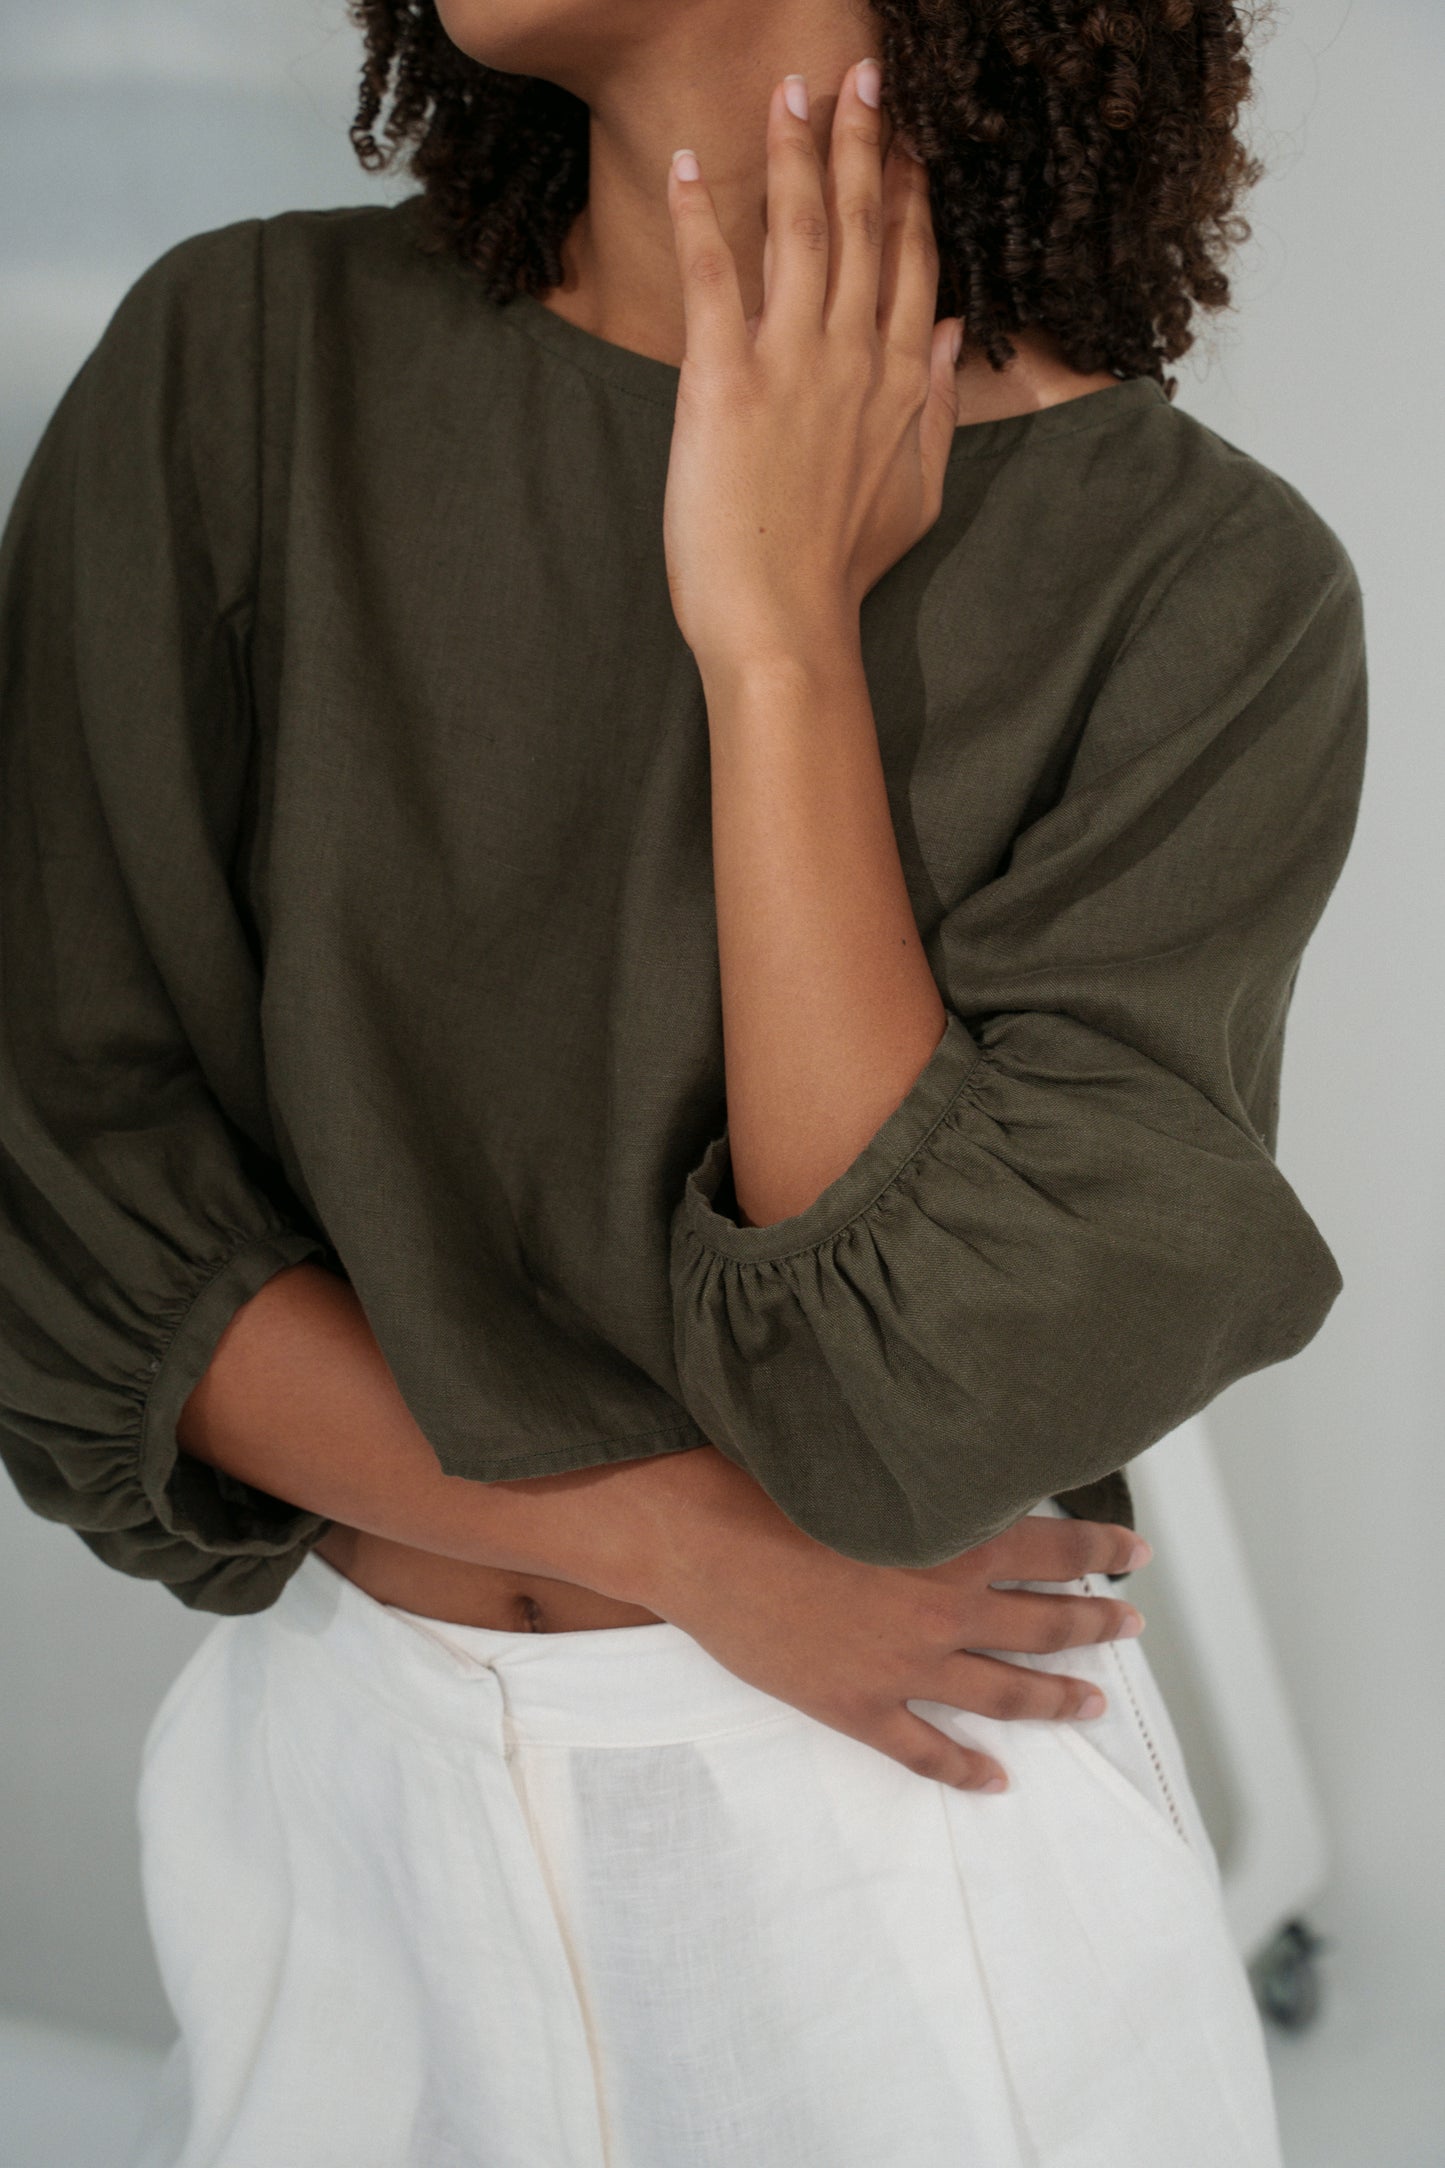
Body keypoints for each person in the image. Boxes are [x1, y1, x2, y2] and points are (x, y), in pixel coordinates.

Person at [0, 1, 1367, 2163]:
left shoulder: (1203, 586)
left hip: (901, 1845)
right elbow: (63, 1213)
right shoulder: (245, 367)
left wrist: (775, 637)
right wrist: (675, 1541)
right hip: (346, 1830)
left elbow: (897, 1413)